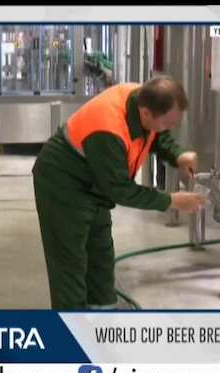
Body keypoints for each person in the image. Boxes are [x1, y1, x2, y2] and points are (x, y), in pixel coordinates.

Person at [32, 76, 206, 310]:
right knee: (70, 260)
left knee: (100, 254)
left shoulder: (142, 99)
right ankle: (70, 323)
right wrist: (170, 201)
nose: (171, 127)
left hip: (94, 181)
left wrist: (178, 155)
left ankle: (103, 314)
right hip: (63, 182)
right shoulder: (108, 129)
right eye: (168, 122)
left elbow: (157, 134)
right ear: (146, 113)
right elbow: (120, 189)